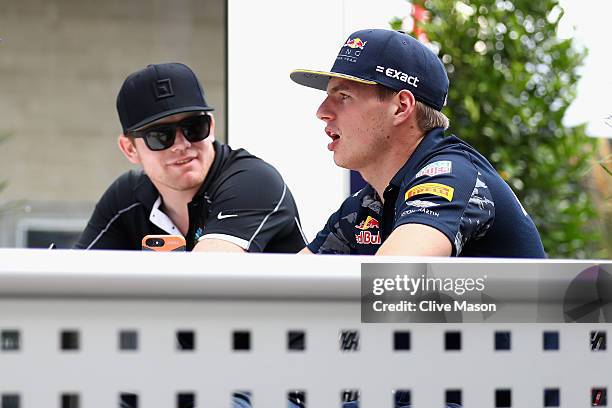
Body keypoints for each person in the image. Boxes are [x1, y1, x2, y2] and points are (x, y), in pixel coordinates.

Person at [290, 29, 545, 257]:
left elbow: (390, 281)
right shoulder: (367, 204)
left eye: (344, 96)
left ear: (401, 107)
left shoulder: (449, 175)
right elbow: (289, 286)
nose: (322, 111)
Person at [76, 62, 306, 252]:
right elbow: (73, 277)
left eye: (194, 127)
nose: (181, 144)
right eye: (160, 136)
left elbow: (205, 281)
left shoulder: (253, 181)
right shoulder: (127, 197)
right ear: (130, 149)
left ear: (212, 127)